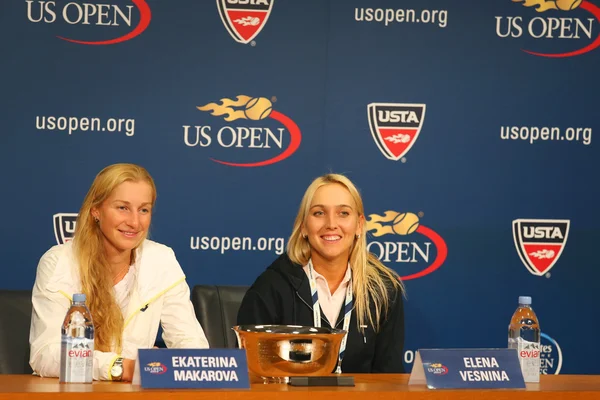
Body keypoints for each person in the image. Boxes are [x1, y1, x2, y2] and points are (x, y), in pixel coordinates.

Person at [30, 163, 208, 381]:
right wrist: (122, 367)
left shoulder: (162, 259)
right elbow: (45, 355)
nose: (134, 222)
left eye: (144, 210)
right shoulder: (59, 261)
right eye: (122, 208)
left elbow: (190, 343)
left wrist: (185, 364)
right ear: (96, 210)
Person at [237, 173, 405, 373]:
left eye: (343, 213)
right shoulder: (271, 287)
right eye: (319, 213)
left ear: (359, 224)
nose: (331, 224)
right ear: (303, 227)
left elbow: (389, 377)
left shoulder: (383, 291)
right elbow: (252, 377)